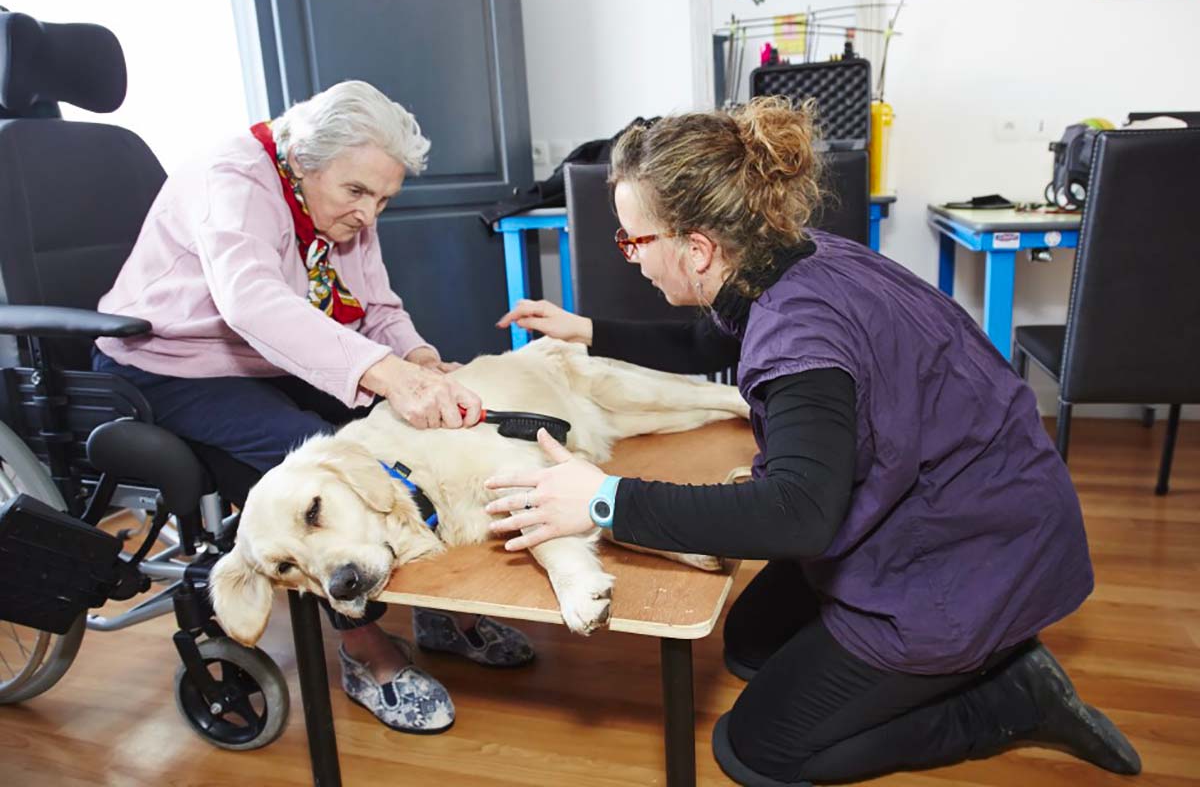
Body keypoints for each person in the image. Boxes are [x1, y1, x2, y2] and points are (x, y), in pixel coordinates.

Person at [483, 97, 1142, 784]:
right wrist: (587, 330)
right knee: (748, 645)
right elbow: (710, 338)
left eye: (633, 241)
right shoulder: (798, 257)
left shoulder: (800, 341)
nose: (628, 259)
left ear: (697, 247)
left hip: (968, 555)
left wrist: (604, 500)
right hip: (980, 504)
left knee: (753, 750)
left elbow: (799, 512)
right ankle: (971, 662)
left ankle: (1006, 699)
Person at [93, 80, 533, 734]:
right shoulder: (232, 178)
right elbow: (252, 303)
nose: (368, 212)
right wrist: (383, 374)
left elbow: (375, 305)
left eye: (383, 197)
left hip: (263, 358)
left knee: (397, 434)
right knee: (317, 462)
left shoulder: (344, 205)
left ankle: (441, 608)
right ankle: (365, 650)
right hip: (168, 365)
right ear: (301, 159)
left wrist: (419, 364)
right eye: (356, 192)